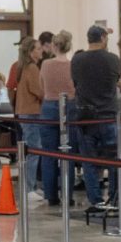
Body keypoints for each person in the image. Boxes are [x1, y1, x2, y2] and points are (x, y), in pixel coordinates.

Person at [71, 26, 121, 208]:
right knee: (114, 159)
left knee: (89, 160)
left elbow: (76, 84)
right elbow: (118, 82)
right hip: (108, 115)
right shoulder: (113, 59)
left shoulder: (77, 60)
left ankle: (95, 200)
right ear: (103, 38)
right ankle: (115, 197)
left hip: (85, 116)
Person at [38, 31, 74, 207]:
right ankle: (68, 194)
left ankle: (51, 195)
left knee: (49, 153)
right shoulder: (72, 65)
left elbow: (42, 86)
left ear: (54, 45)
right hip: (68, 106)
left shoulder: (45, 64)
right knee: (68, 153)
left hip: (48, 106)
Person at [13, 37, 45, 203]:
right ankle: (29, 187)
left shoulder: (23, 67)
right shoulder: (32, 68)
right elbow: (38, 90)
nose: (41, 51)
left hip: (24, 112)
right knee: (34, 150)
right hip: (31, 112)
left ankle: (30, 186)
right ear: (31, 51)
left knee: (30, 149)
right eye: (38, 48)